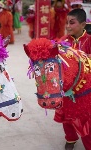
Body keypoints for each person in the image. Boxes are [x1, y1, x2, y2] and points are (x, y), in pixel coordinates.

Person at [57, 8, 91, 150]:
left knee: (85, 118)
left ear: (83, 24)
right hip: (67, 87)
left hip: (86, 89)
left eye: (72, 23)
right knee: (66, 115)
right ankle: (70, 138)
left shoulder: (89, 41)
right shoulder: (63, 41)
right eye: (67, 23)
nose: (68, 26)